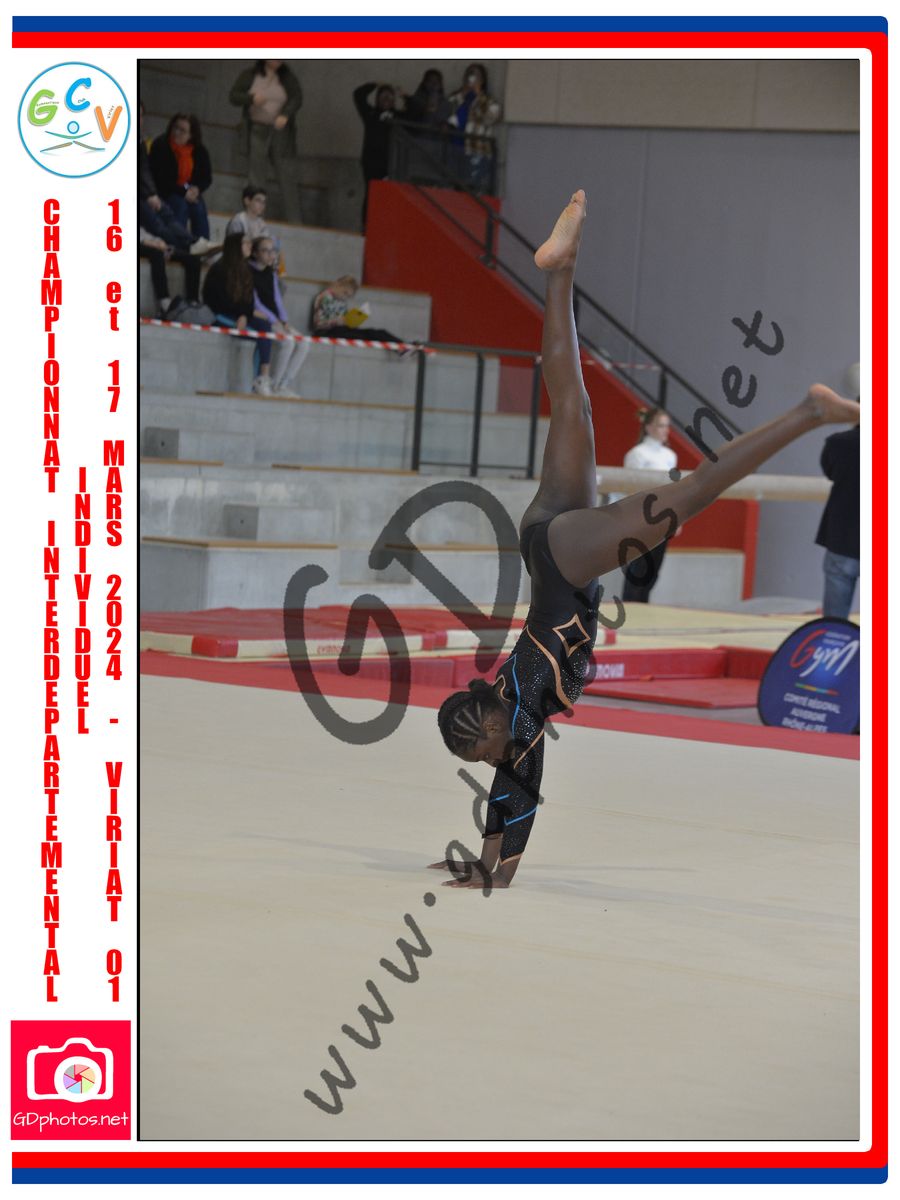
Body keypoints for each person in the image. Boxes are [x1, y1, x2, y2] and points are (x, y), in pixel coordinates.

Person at [431, 189, 860, 890]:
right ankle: (561, 268)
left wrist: (495, 871)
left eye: (479, 752)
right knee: (572, 404)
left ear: (490, 728)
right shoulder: (507, 706)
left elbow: (520, 792)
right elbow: (508, 783)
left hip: (566, 564)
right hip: (543, 543)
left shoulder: (523, 716)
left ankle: (809, 412)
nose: (488, 762)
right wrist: (482, 854)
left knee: (694, 491)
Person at [229, 60, 304, 224]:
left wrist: (285, 114)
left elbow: (297, 97)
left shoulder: (287, 77)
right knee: (256, 176)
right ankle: (255, 217)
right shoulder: (250, 75)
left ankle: (295, 220)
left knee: (286, 175)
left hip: (280, 132)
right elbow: (234, 96)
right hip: (257, 128)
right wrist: (251, 98)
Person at [202, 233, 274, 395]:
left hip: (240, 314)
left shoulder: (245, 269)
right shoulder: (220, 269)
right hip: (221, 314)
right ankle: (258, 381)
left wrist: (244, 315)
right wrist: (242, 314)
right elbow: (219, 301)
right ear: (236, 246)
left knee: (265, 327)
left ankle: (262, 379)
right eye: (245, 243)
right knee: (259, 335)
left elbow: (248, 300)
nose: (249, 246)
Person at [619, 408, 678, 603]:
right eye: (661, 426)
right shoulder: (637, 454)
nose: (666, 430)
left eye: (667, 426)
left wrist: (676, 517)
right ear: (648, 427)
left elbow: (672, 490)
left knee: (653, 572)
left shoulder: (670, 455)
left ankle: (642, 608)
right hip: (643, 518)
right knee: (639, 570)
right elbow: (630, 490)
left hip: (663, 517)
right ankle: (631, 607)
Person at [138, 101, 212, 256]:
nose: (177, 133)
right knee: (179, 205)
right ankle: (184, 248)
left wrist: (196, 189)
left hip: (185, 191)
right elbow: (158, 177)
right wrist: (182, 192)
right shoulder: (161, 145)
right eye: (175, 128)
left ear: (191, 134)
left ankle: (203, 245)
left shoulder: (199, 149)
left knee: (198, 206)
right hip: (166, 191)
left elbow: (206, 177)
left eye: (182, 130)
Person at [249, 236, 309, 397]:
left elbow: (277, 299)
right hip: (263, 317)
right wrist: (274, 321)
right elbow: (255, 302)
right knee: (288, 342)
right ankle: (272, 385)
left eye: (273, 251)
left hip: (277, 319)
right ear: (255, 253)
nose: (270, 255)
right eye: (265, 251)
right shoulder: (248, 272)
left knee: (304, 343)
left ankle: (283, 384)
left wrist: (284, 321)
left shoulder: (271, 273)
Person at [815, 419, 860, 618]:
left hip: (842, 536)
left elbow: (830, 472)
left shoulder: (837, 443)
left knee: (835, 618)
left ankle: (834, 636)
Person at [311, 276, 409, 349]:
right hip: (327, 332)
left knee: (376, 332)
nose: (344, 297)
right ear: (337, 285)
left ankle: (403, 345)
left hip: (341, 330)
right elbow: (318, 324)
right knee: (366, 336)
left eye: (348, 296)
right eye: (344, 293)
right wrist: (337, 321)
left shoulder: (341, 301)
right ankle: (402, 347)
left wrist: (352, 320)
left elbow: (344, 319)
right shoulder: (325, 297)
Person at [446, 63, 502, 192]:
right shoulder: (456, 97)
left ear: (482, 80)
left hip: (476, 149)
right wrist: (463, 95)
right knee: (453, 186)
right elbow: (446, 112)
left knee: (471, 188)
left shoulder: (489, 101)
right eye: (470, 74)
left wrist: (478, 95)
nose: (472, 77)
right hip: (454, 147)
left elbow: (490, 118)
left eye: (476, 75)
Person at [353, 81, 401, 228]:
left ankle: (385, 226)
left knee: (390, 196)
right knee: (372, 194)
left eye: (389, 97)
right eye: (383, 96)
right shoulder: (371, 114)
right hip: (372, 163)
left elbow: (417, 112)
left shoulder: (398, 117)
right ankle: (367, 226)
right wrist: (375, 84)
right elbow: (358, 94)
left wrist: (406, 96)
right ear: (377, 99)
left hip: (392, 164)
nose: (386, 99)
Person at [139, 227, 202, 315]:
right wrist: (145, 241)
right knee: (157, 254)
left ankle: (193, 301)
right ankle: (164, 302)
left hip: (154, 242)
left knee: (193, 259)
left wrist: (159, 242)